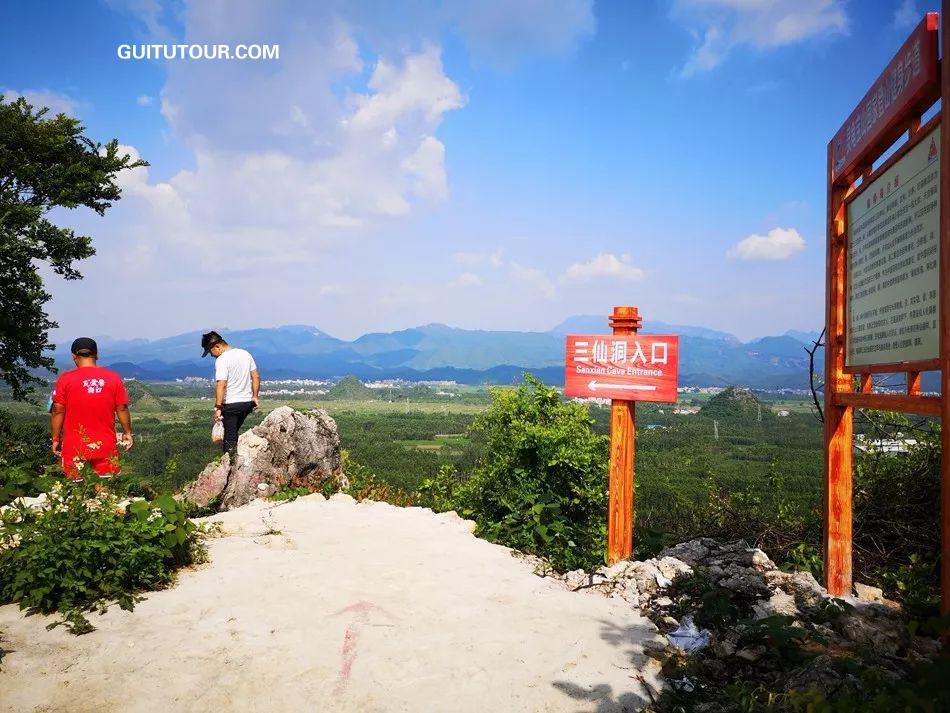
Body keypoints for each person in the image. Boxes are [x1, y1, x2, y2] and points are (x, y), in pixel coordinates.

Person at [50, 337, 133, 481]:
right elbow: (122, 408)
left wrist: (56, 438)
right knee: (105, 489)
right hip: (105, 444)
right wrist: (127, 432)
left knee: (75, 488)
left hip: (74, 445)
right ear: (97, 354)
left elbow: (57, 410)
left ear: (73, 356)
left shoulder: (65, 379)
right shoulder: (113, 378)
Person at [201, 330, 260, 454]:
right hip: (246, 404)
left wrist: (218, 407)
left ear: (217, 346)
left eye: (211, 352)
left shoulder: (222, 360)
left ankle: (230, 466)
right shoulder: (245, 354)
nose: (212, 356)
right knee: (232, 432)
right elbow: (255, 377)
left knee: (229, 440)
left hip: (231, 405)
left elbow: (221, 384)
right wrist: (255, 397)